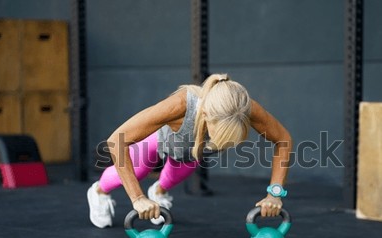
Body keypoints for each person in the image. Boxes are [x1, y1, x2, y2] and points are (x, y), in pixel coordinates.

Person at [87, 74, 293, 228]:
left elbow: (283, 139)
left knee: (171, 179)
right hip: (159, 141)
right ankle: (98, 192)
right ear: (204, 114)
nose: (219, 142)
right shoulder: (181, 106)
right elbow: (117, 139)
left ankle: (157, 192)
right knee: (139, 170)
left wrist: (274, 193)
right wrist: (137, 198)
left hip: (191, 153)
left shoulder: (244, 107)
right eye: (217, 135)